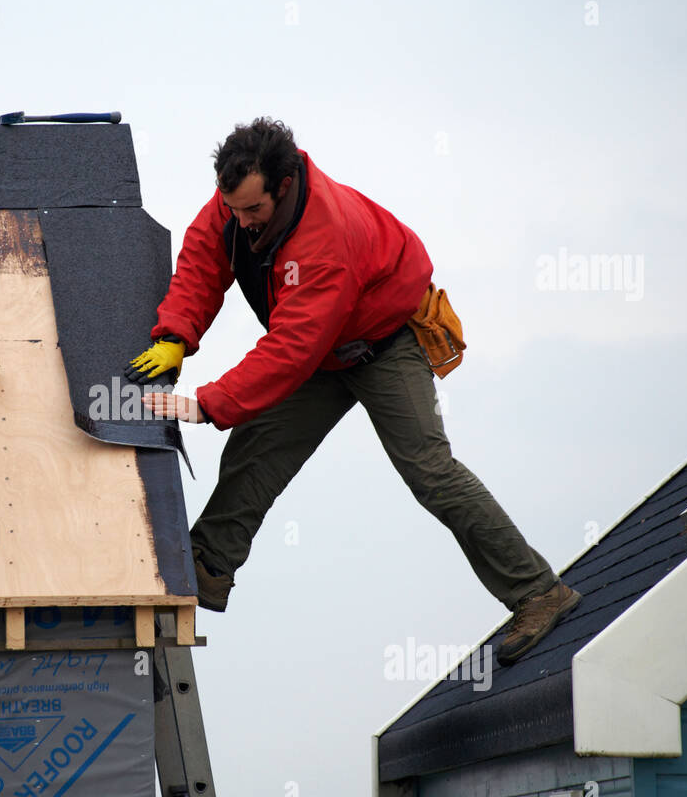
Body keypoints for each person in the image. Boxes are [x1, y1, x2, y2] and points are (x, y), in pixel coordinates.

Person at [127, 117, 579, 665]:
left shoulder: (325, 239)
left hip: (385, 345)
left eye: (253, 211)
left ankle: (538, 592)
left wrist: (206, 403)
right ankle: (204, 568)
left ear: (284, 185)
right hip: (323, 347)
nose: (241, 222)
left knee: (430, 474)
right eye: (233, 209)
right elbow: (203, 261)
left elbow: (293, 348)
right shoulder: (236, 202)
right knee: (256, 445)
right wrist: (176, 335)